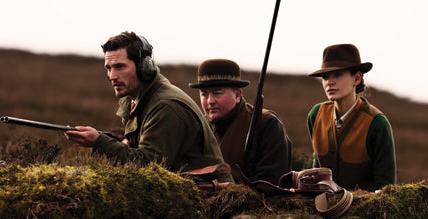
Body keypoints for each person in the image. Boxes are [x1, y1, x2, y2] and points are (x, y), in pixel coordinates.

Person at [65, 31, 233, 182]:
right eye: (108, 68)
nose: (112, 76)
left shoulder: (165, 106)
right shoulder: (134, 98)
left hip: (212, 201)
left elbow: (147, 167)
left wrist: (99, 142)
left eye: (120, 67)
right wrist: (122, 143)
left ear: (143, 67)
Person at [189, 58, 292, 188]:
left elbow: (272, 182)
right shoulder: (198, 127)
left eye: (217, 93)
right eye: (204, 94)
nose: (210, 101)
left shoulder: (267, 124)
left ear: (237, 95)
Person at [307, 43, 396, 191]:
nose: (330, 82)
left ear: (357, 78)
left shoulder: (377, 124)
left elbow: (386, 189)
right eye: (325, 76)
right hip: (322, 209)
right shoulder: (315, 115)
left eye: (338, 74)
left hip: (363, 211)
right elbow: (318, 168)